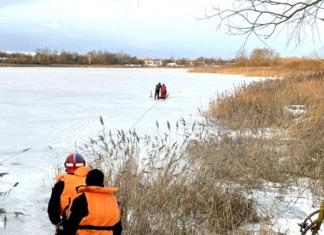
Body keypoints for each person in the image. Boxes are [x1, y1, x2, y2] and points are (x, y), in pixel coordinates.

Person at [64, 169, 122, 235]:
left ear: (87, 181)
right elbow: (118, 228)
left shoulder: (81, 199)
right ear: (102, 182)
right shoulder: (113, 200)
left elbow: (70, 226)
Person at [48, 153, 90, 235]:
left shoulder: (61, 183)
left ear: (66, 166)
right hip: (91, 224)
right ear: (83, 165)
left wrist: (57, 223)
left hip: (68, 224)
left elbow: (53, 208)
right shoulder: (92, 180)